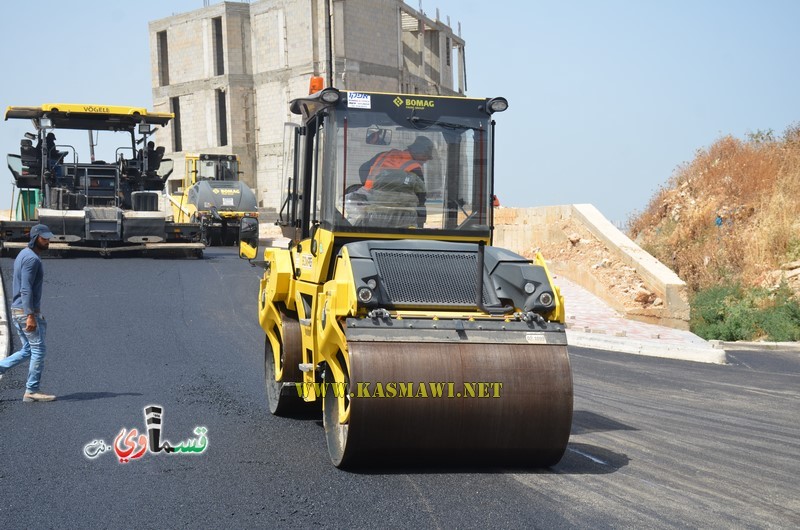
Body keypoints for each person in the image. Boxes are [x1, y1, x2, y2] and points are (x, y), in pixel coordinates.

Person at [0, 224, 56, 402]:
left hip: (19, 310)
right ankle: (31, 391)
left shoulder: (24, 254)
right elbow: (26, 289)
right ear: (35, 238)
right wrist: (31, 315)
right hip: (24, 312)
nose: (47, 241)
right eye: (44, 238)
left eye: (48, 238)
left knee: (28, 350)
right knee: (38, 350)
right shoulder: (32, 259)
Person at [357, 136, 434, 227]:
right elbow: (421, 196)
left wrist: (370, 187)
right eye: (425, 156)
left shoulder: (384, 155)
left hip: (369, 205)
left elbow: (363, 169)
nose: (425, 160)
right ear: (418, 152)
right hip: (394, 212)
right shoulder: (414, 167)